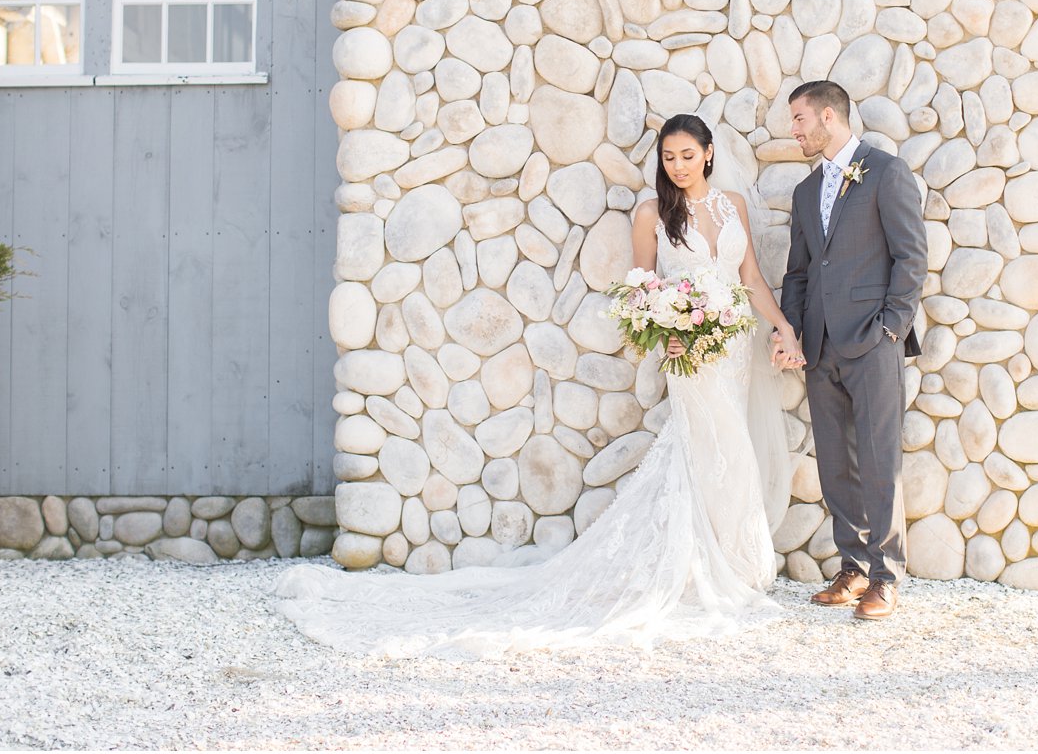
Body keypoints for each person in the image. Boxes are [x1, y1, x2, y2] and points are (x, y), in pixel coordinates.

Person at [273, 113, 797, 659]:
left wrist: (781, 326)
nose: (679, 166)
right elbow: (644, 287)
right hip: (685, 349)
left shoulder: (732, 206)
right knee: (708, 443)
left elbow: (750, 280)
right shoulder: (651, 214)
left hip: (732, 348)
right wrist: (664, 330)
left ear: (709, 154)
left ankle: (730, 560)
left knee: (731, 442)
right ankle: (703, 563)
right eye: (669, 157)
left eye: (688, 155)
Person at [773, 80, 927, 621]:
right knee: (837, 461)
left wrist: (891, 327)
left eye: (798, 118)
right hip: (819, 345)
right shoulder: (804, 191)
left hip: (873, 341)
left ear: (829, 118)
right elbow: (799, 273)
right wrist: (791, 333)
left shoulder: (886, 172)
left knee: (881, 458)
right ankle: (853, 566)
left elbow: (911, 258)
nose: (793, 129)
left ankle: (887, 576)